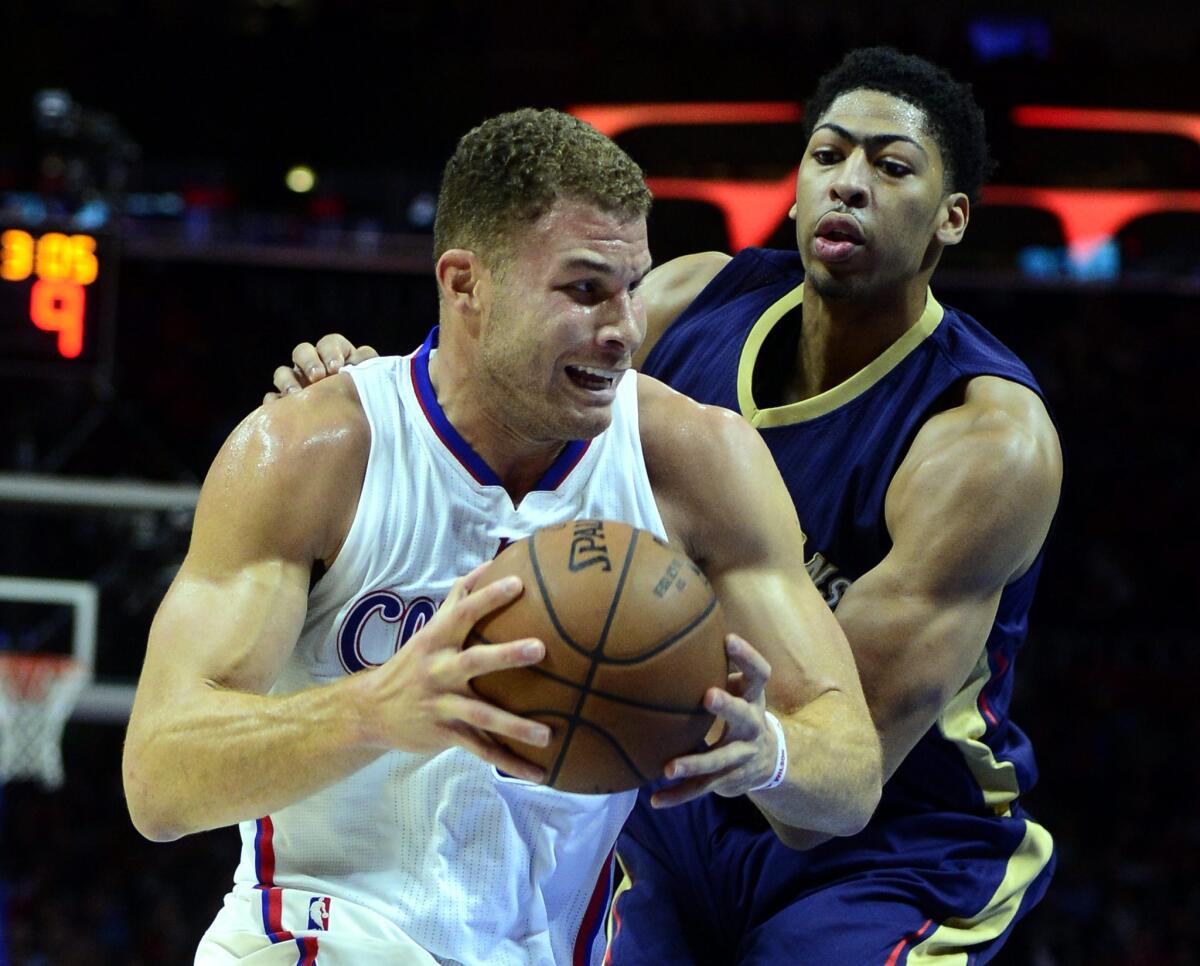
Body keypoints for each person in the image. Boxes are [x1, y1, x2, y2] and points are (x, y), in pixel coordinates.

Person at [279, 49, 1063, 963]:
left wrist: (622, 647)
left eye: (891, 166)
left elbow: (839, 773)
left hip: (882, 842)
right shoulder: (692, 298)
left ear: (951, 217)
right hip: (663, 785)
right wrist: (374, 399)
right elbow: (512, 383)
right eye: (828, 154)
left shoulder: (984, 440)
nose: (849, 184)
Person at [123, 108, 882, 966]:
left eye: (635, 286)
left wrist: (768, 750)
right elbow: (158, 776)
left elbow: (851, 773)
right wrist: (374, 711)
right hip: (312, 937)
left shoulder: (698, 462)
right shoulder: (315, 451)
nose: (626, 328)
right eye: (585, 289)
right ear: (465, 283)